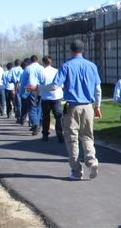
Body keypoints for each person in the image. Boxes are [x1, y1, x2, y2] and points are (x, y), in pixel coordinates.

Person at [33, 40, 101, 180]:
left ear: (70, 50)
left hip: (73, 106)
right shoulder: (92, 66)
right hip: (88, 106)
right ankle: (91, 160)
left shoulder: (66, 66)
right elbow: (98, 89)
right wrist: (97, 106)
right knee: (88, 136)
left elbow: (54, 86)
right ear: (83, 50)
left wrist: (39, 88)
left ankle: (76, 170)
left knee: (72, 139)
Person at [40, 55, 64, 142]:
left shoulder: (41, 72)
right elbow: (62, 85)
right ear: (51, 62)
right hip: (56, 96)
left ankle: (45, 135)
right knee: (58, 116)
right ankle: (60, 134)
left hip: (45, 97)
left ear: (43, 62)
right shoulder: (57, 71)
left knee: (46, 116)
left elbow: (39, 85)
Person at [20, 55, 44, 135]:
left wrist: (21, 92)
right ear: (37, 60)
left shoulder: (28, 68)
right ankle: (38, 122)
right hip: (40, 88)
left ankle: (35, 124)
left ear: (30, 60)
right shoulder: (41, 68)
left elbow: (23, 82)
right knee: (39, 107)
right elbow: (43, 79)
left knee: (32, 107)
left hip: (29, 89)